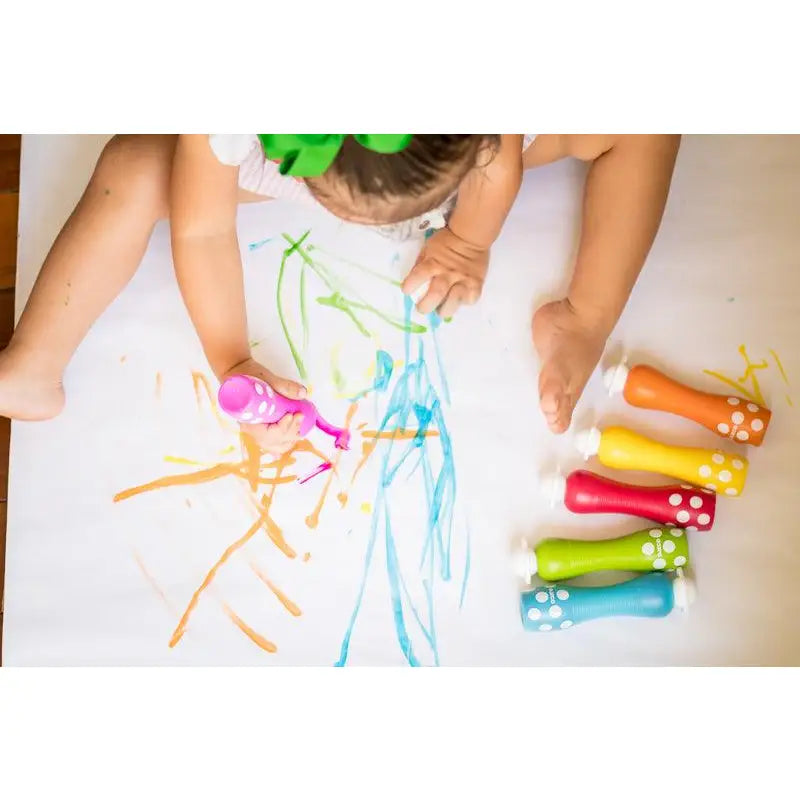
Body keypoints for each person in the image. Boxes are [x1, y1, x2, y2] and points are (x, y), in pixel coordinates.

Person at [0, 133, 680, 453]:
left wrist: (468, 239)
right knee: (131, 168)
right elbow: (203, 231)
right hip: (300, 156)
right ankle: (32, 367)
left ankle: (584, 318)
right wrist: (230, 358)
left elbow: (498, 159)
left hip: (446, 155)